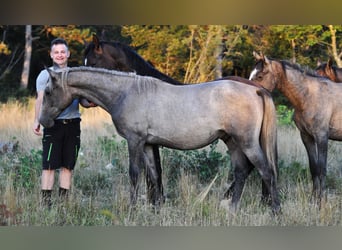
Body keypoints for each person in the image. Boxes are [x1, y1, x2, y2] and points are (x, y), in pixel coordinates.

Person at [33, 38, 96, 208]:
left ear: (68, 54)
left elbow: (82, 101)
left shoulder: (75, 75)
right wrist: (36, 121)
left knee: (68, 166)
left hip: (73, 124)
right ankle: (46, 205)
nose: (60, 55)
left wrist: (91, 103)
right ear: (51, 55)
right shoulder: (45, 75)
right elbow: (40, 99)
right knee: (49, 166)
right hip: (53, 125)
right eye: (56, 52)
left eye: (63, 52)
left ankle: (63, 205)